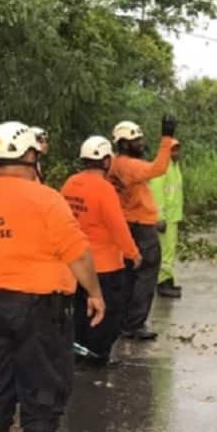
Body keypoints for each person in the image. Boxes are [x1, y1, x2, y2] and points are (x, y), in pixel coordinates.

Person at [0, 121, 105, 432]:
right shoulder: (46, 200)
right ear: (29, 156)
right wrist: (95, 293)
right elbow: (78, 255)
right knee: (42, 393)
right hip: (38, 309)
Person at [61, 136, 141, 367]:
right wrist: (133, 253)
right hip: (104, 266)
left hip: (75, 263)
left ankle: (78, 353)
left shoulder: (70, 184)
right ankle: (97, 356)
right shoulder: (104, 189)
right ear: (106, 161)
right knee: (107, 313)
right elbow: (118, 226)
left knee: (79, 311)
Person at [108, 117, 177, 341]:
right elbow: (159, 168)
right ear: (124, 144)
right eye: (136, 140)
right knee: (146, 275)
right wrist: (166, 138)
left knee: (128, 275)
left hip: (126, 224)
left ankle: (123, 321)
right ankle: (135, 323)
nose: (141, 143)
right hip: (141, 226)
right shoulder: (130, 166)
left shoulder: (113, 164)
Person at [150, 138, 184, 298]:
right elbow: (156, 194)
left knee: (170, 251)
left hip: (173, 217)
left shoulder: (175, 167)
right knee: (165, 252)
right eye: (173, 150)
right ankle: (162, 284)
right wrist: (159, 218)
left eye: (178, 149)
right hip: (165, 219)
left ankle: (168, 281)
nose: (176, 153)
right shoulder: (161, 168)